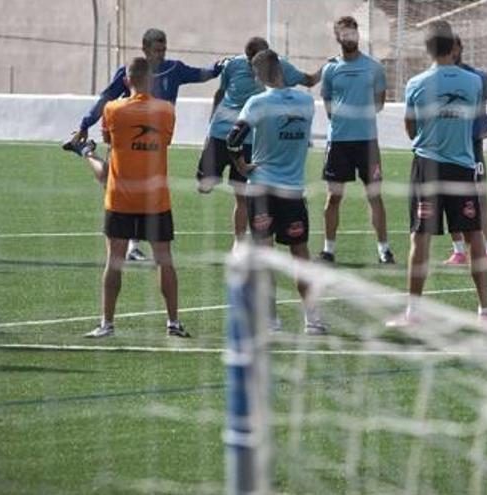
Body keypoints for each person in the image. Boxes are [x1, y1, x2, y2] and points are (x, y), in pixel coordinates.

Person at [65, 28, 222, 262]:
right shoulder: (129, 72)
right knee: (112, 181)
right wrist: (85, 124)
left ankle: (133, 244)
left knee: (139, 185)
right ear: (145, 49)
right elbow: (106, 98)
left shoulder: (174, 69)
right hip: (127, 134)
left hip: (155, 141)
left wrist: (221, 66)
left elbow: (203, 74)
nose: (160, 54)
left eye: (163, 49)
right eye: (156, 50)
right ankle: (87, 151)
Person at [67, 57, 188, 338]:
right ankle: (173, 323)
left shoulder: (112, 109)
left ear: (125, 81)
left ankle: (107, 324)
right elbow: (165, 142)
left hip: (120, 198)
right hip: (155, 198)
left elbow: (111, 141)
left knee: (115, 260)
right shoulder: (166, 111)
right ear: (153, 80)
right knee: (164, 259)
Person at [386, 20, 487, 327]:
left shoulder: (416, 84)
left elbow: (409, 126)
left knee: (420, 239)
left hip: (427, 167)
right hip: (462, 167)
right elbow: (475, 119)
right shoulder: (473, 82)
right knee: (474, 237)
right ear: (454, 46)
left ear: (427, 48)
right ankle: (485, 311)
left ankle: (413, 313)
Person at [227, 49, 326, 334]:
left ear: (259, 75)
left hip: (262, 188)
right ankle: (312, 319)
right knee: (300, 254)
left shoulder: (257, 103)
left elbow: (233, 139)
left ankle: (271, 319)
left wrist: (242, 166)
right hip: (293, 190)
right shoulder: (307, 102)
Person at [196, 37, 320, 251]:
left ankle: (238, 242)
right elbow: (220, 92)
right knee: (204, 186)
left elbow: (308, 80)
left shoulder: (264, 92)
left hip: (253, 151)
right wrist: (210, 125)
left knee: (242, 195)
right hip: (222, 134)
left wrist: (326, 68)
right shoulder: (233, 66)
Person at [319, 16, 395, 265]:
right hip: (339, 141)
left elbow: (380, 102)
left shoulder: (373, 67)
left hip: (367, 141)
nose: (349, 37)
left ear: (358, 35)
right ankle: (328, 250)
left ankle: (384, 250)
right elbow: (328, 103)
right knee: (333, 197)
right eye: (344, 33)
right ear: (337, 37)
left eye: (353, 32)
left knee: (374, 195)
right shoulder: (330, 69)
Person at [442, 34, 487, 266]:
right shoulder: (438, 79)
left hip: (472, 146)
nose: (451, 51)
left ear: (461, 48)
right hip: (447, 146)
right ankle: (459, 251)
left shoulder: (479, 77)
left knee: (480, 197)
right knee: (449, 197)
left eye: (454, 46)